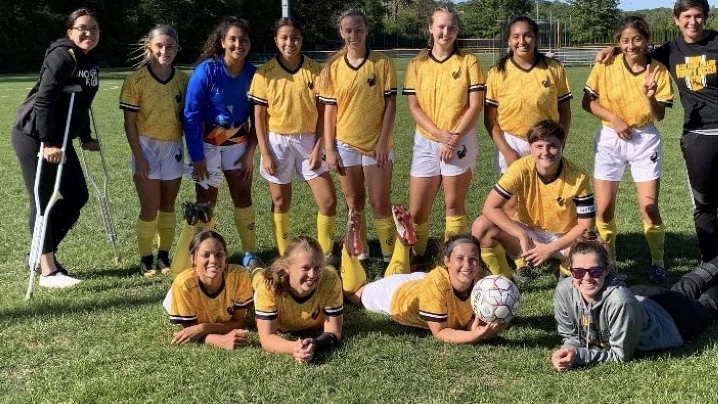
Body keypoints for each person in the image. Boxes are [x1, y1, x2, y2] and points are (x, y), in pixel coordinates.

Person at [596, 0, 718, 263]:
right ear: (677, 20)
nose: (692, 21)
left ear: (705, 18)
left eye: (698, 16)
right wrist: (612, 50)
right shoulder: (671, 50)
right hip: (697, 136)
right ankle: (709, 258)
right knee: (704, 204)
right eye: (687, 17)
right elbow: (637, 51)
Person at [551, 232, 718, 371]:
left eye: (595, 271)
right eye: (578, 271)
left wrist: (579, 357)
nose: (586, 278)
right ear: (570, 270)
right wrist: (569, 348)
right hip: (644, 297)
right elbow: (570, 333)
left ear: (608, 270)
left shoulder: (620, 301)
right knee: (682, 290)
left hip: (674, 321)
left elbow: (621, 355)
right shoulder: (564, 290)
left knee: (707, 307)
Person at [12, 8, 101, 288]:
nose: (89, 33)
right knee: (43, 198)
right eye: (82, 28)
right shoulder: (62, 56)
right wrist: (48, 143)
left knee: (77, 195)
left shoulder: (90, 60)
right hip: (35, 134)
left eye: (94, 28)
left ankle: (38, 253)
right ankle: (48, 272)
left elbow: (81, 102)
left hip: (60, 138)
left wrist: (85, 136)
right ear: (70, 32)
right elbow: (45, 101)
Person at [582, 16, 674, 283]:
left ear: (646, 40)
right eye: (625, 40)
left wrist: (650, 96)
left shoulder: (658, 70)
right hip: (611, 137)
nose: (631, 45)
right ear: (618, 43)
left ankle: (658, 261)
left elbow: (659, 116)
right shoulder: (606, 63)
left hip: (644, 139)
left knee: (649, 208)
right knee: (605, 208)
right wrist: (615, 119)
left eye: (637, 39)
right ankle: (610, 264)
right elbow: (588, 102)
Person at [397, 5, 485, 263]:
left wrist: (453, 138)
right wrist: (438, 134)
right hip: (426, 140)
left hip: (460, 139)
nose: (446, 32)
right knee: (417, 210)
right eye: (441, 26)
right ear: (430, 28)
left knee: (453, 206)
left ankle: (454, 259)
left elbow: (475, 105)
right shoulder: (417, 64)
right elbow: (413, 106)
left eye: (452, 27)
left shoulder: (469, 61)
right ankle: (419, 255)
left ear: (457, 31)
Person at [171, 17, 259, 276]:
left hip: (239, 144)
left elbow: (259, 118)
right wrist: (197, 157)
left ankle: (250, 254)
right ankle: (206, 253)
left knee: (242, 194)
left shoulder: (253, 74)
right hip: (206, 145)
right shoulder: (207, 71)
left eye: (243, 40)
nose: (238, 44)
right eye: (232, 39)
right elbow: (191, 115)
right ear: (222, 42)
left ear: (249, 43)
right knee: (206, 201)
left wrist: (250, 155)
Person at [248, 17, 337, 257]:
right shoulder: (264, 74)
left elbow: (323, 114)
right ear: (276, 40)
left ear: (301, 39)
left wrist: (319, 147)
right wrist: (265, 154)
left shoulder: (316, 71)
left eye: (295, 37)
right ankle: (284, 253)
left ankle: (326, 254)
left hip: (309, 141)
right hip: (276, 142)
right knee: (280, 202)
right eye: (284, 37)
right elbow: (258, 117)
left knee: (328, 200)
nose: (290, 42)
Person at [318, 9, 398, 267]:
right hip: (345, 145)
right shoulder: (332, 68)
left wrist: (383, 141)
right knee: (354, 202)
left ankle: (389, 255)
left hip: (377, 145)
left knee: (380, 202)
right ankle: (361, 251)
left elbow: (390, 104)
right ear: (341, 33)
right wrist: (329, 148)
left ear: (367, 30)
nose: (354, 35)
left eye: (359, 29)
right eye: (348, 30)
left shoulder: (382, 63)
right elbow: (329, 111)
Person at [471, 120, 595, 284]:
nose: (545, 152)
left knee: (591, 251)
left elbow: (586, 225)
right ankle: (504, 282)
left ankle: (566, 270)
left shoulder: (578, 177)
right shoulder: (519, 169)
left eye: (552, 145)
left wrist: (548, 249)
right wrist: (521, 234)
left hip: (564, 236)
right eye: (539, 146)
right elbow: (490, 207)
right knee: (482, 226)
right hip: (529, 231)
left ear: (562, 145)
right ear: (530, 148)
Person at [341, 233, 505, 344]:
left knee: (390, 277)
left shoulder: (481, 281)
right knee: (354, 295)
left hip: (421, 281)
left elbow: (466, 318)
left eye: (473, 259)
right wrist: (472, 336)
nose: (467, 265)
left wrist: (492, 324)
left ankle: (402, 243)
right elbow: (440, 332)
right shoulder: (437, 286)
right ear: (446, 261)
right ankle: (347, 251)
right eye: (460, 258)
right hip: (399, 294)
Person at [120, 25, 189, 277]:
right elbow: (129, 123)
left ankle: (163, 255)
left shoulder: (183, 79)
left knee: (168, 203)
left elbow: (187, 117)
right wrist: (139, 157)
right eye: (159, 45)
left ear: (177, 49)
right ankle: (145, 257)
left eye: (170, 46)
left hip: (173, 146)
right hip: (146, 146)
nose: (164, 51)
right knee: (150, 206)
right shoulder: (135, 80)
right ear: (149, 47)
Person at [485, 16, 572, 173]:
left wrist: (559, 142)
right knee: (513, 197)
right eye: (516, 36)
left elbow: (565, 111)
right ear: (509, 41)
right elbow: (489, 118)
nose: (522, 41)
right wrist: (506, 151)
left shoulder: (554, 68)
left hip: (547, 143)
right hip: (511, 141)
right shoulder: (496, 72)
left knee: (545, 195)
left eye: (528, 35)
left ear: (536, 38)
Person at [253, 236, 343, 363]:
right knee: (259, 278)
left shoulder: (330, 281)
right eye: (305, 268)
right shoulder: (268, 287)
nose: (312, 274)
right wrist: (294, 348)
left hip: (329, 274)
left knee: (331, 272)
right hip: (264, 281)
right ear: (287, 267)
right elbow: (267, 338)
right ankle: (254, 266)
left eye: (317, 267)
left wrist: (316, 345)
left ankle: (332, 263)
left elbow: (334, 331)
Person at [167, 230, 253, 350]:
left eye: (219, 254)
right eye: (205, 255)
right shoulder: (184, 285)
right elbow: (189, 332)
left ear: (226, 256)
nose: (213, 260)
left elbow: (238, 322)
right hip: (177, 296)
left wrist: (204, 328)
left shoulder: (239, 275)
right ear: (193, 259)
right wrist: (220, 340)